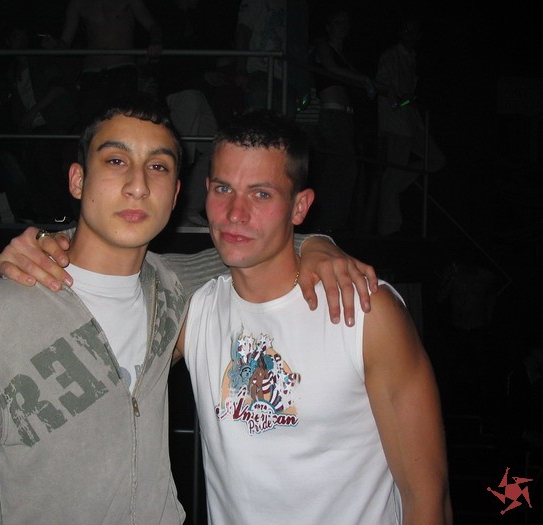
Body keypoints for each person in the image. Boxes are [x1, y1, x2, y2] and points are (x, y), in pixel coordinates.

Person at [0, 96, 376, 523]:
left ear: (176, 194)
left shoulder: (174, 287)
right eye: (116, 161)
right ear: (78, 179)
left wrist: (316, 243)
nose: (137, 185)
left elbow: (258, 243)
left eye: (158, 167)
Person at [176, 109, 452, 523]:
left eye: (261, 194)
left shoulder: (366, 313)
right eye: (223, 189)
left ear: (300, 206)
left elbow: (427, 497)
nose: (235, 213)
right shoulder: (195, 313)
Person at [375, 16, 447, 236]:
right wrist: (396, 98)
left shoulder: (412, 57)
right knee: (394, 170)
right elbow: (380, 85)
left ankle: (392, 186)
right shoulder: (391, 55)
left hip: (412, 120)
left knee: (436, 159)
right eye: (406, 30)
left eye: (414, 31)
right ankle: (389, 226)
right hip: (396, 121)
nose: (410, 35)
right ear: (400, 32)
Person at [43, 0, 164, 128]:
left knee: (122, 121)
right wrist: (54, 45)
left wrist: (156, 42)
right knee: (90, 123)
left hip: (122, 68)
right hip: (91, 72)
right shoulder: (78, 3)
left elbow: (153, 26)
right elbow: (65, 44)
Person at [311, 7, 376, 233]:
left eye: (346, 23)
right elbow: (331, 68)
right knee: (341, 169)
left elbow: (359, 78)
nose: (343, 26)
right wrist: (364, 80)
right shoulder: (323, 46)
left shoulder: (344, 57)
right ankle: (327, 224)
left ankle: (333, 223)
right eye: (338, 22)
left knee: (343, 170)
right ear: (328, 26)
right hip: (332, 114)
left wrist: (387, 89)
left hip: (345, 117)